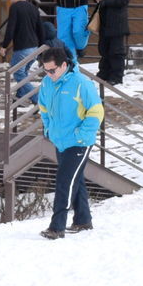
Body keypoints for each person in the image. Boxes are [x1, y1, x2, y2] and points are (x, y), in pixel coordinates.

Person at [37, 44, 104, 239]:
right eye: (45, 70)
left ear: (64, 65)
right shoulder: (47, 84)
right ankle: (83, 220)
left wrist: (82, 135)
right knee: (76, 179)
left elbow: (96, 111)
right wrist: (48, 128)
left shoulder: (81, 83)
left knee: (65, 182)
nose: (49, 74)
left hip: (79, 142)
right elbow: (43, 108)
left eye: (52, 70)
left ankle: (57, 227)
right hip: (60, 141)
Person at [0, 0, 43, 104]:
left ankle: (38, 98)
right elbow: (40, 27)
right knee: (23, 73)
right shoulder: (33, 7)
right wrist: (41, 47)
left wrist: (4, 46)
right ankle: (20, 96)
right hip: (34, 46)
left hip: (22, 47)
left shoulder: (15, 7)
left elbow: (10, 28)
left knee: (18, 73)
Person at [94, 0, 131, 85]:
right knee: (104, 49)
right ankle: (104, 73)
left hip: (117, 23)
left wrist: (106, 2)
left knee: (116, 51)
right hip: (105, 22)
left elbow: (124, 0)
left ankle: (116, 76)